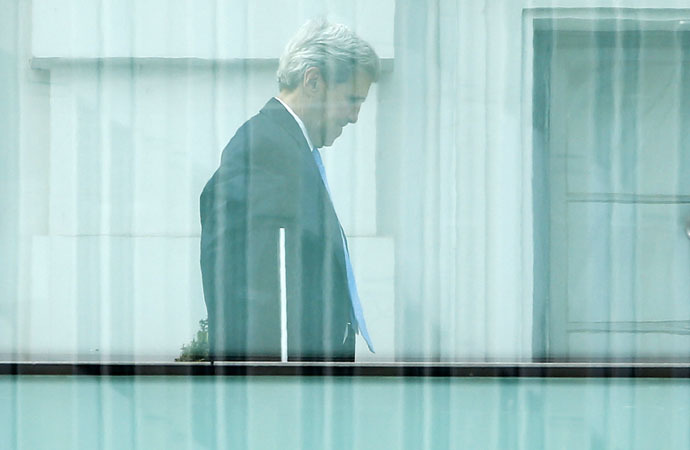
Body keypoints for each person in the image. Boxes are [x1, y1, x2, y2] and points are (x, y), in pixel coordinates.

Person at [199, 19, 380, 362]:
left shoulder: (282, 147)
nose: (355, 116)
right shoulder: (269, 152)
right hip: (288, 397)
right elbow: (270, 301)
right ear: (313, 81)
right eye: (352, 99)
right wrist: (285, 398)